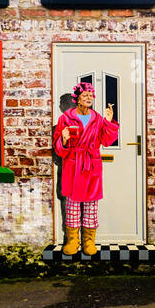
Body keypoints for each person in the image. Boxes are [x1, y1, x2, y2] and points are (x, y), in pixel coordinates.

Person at [52, 81, 118, 257]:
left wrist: (109, 122)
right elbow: (58, 148)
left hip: (91, 165)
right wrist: (64, 140)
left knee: (91, 206)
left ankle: (89, 242)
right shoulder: (65, 118)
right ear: (77, 99)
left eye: (91, 95)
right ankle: (73, 241)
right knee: (72, 205)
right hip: (72, 166)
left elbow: (106, 140)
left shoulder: (97, 118)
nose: (89, 98)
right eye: (85, 95)